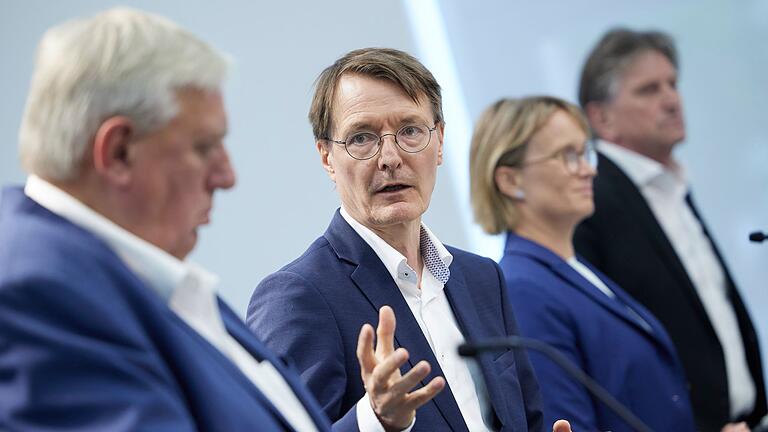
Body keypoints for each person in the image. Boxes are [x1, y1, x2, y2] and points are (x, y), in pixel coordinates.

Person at [0, 8, 411, 431]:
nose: (226, 176)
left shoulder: (145, 277)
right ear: (119, 152)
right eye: (204, 147)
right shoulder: (37, 291)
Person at [247, 48, 572, 432]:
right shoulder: (296, 298)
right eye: (362, 137)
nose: (390, 156)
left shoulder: (482, 278)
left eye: (410, 131)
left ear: (440, 142)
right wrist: (375, 419)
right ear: (327, 157)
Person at [574, 28, 766, 431]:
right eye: (648, 90)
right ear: (601, 117)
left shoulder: (672, 185)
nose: (671, 100)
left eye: (672, 85)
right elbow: (608, 353)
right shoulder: (590, 200)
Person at [469, 95, 698, 431]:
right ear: (510, 180)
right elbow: (567, 422)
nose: (590, 169)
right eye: (569, 156)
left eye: (585, 152)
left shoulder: (575, 270)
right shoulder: (523, 291)